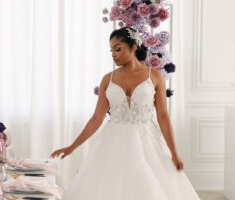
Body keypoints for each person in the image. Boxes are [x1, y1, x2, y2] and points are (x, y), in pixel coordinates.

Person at [50, 27, 201, 199]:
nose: (113, 54)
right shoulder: (108, 79)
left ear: (133, 47)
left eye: (118, 48)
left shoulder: (155, 77)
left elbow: (163, 117)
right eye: (111, 50)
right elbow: (96, 118)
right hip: (112, 142)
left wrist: (174, 153)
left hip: (147, 142)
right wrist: (72, 147)